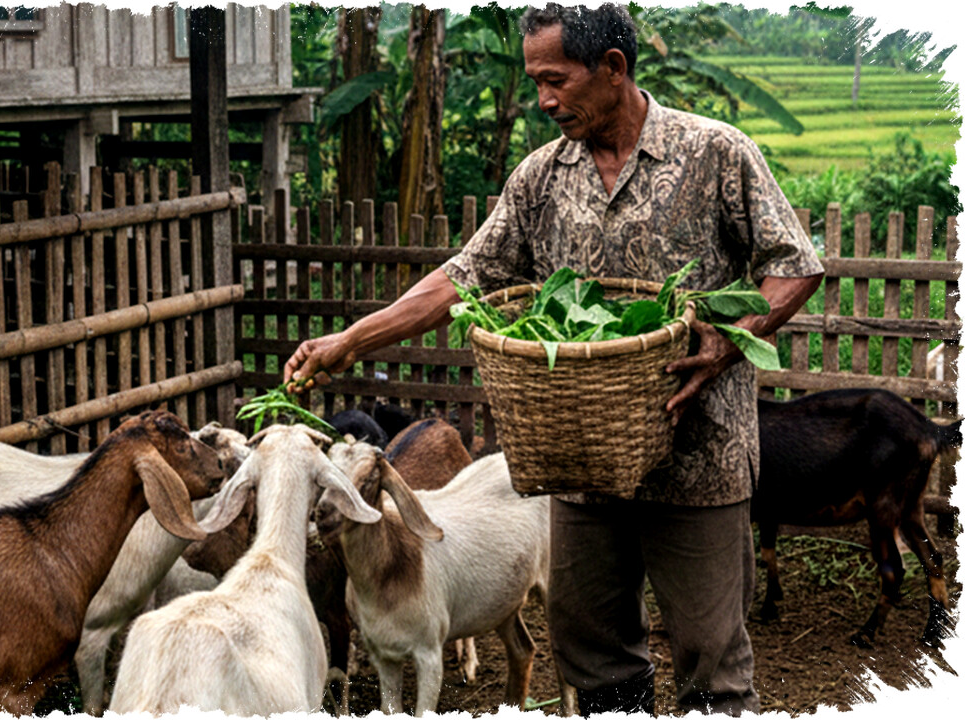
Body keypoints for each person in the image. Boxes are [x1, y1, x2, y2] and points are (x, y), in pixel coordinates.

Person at [283, 3, 824, 716]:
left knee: (709, 659)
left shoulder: (714, 152)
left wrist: (728, 341)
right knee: (590, 649)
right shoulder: (541, 178)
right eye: (535, 80)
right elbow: (462, 276)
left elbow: (795, 263)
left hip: (699, 456)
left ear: (612, 69)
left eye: (555, 80)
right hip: (579, 467)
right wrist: (351, 340)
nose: (543, 99)